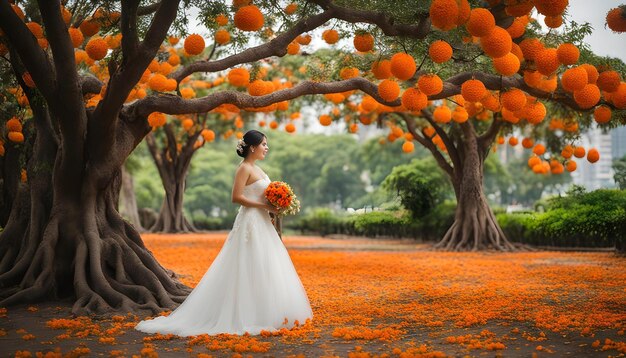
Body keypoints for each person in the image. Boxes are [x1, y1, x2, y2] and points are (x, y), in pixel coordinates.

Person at [135, 130, 313, 336]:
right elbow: (236, 197)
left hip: (262, 221)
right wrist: (265, 207)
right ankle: (245, 314)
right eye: (264, 144)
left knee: (265, 264)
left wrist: (275, 205)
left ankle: (268, 312)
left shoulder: (257, 168)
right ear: (252, 147)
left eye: (266, 144)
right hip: (250, 222)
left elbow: (261, 196)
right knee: (248, 264)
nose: (267, 147)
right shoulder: (244, 168)